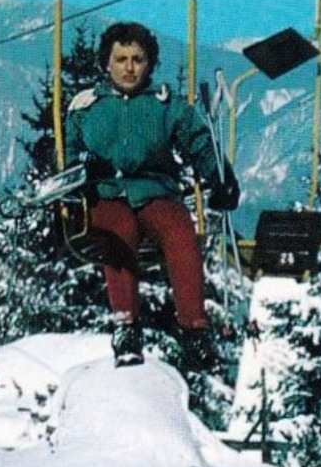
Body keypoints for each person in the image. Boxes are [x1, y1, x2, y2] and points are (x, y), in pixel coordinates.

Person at [67, 21, 239, 366]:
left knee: (179, 231)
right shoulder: (87, 108)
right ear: (107, 63)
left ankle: (194, 329)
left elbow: (198, 142)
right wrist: (84, 166)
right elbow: (65, 154)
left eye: (137, 59)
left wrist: (219, 176)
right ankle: (126, 327)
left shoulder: (165, 105)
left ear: (149, 64)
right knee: (119, 232)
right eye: (121, 59)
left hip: (154, 190)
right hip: (107, 192)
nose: (129, 68)